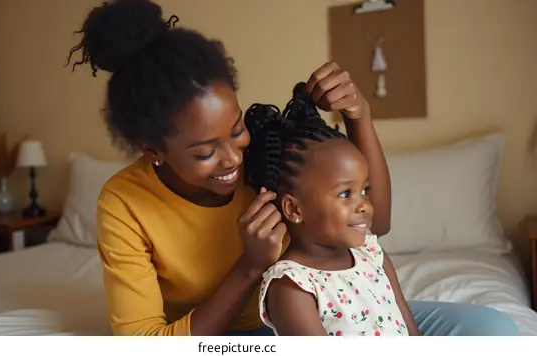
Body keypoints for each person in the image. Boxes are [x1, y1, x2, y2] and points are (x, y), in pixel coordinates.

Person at [66, 0, 520, 336]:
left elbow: (374, 221)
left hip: (331, 311)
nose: (233, 157)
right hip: (232, 338)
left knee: (492, 331)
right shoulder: (124, 203)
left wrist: (359, 115)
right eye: (206, 151)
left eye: (237, 127)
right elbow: (145, 343)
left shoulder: (267, 152)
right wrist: (249, 267)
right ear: (153, 151)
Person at [244, 83, 419, 336]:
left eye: (364, 190)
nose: (365, 205)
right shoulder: (292, 286)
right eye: (346, 193)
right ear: (294, 209)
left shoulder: (372, 254)